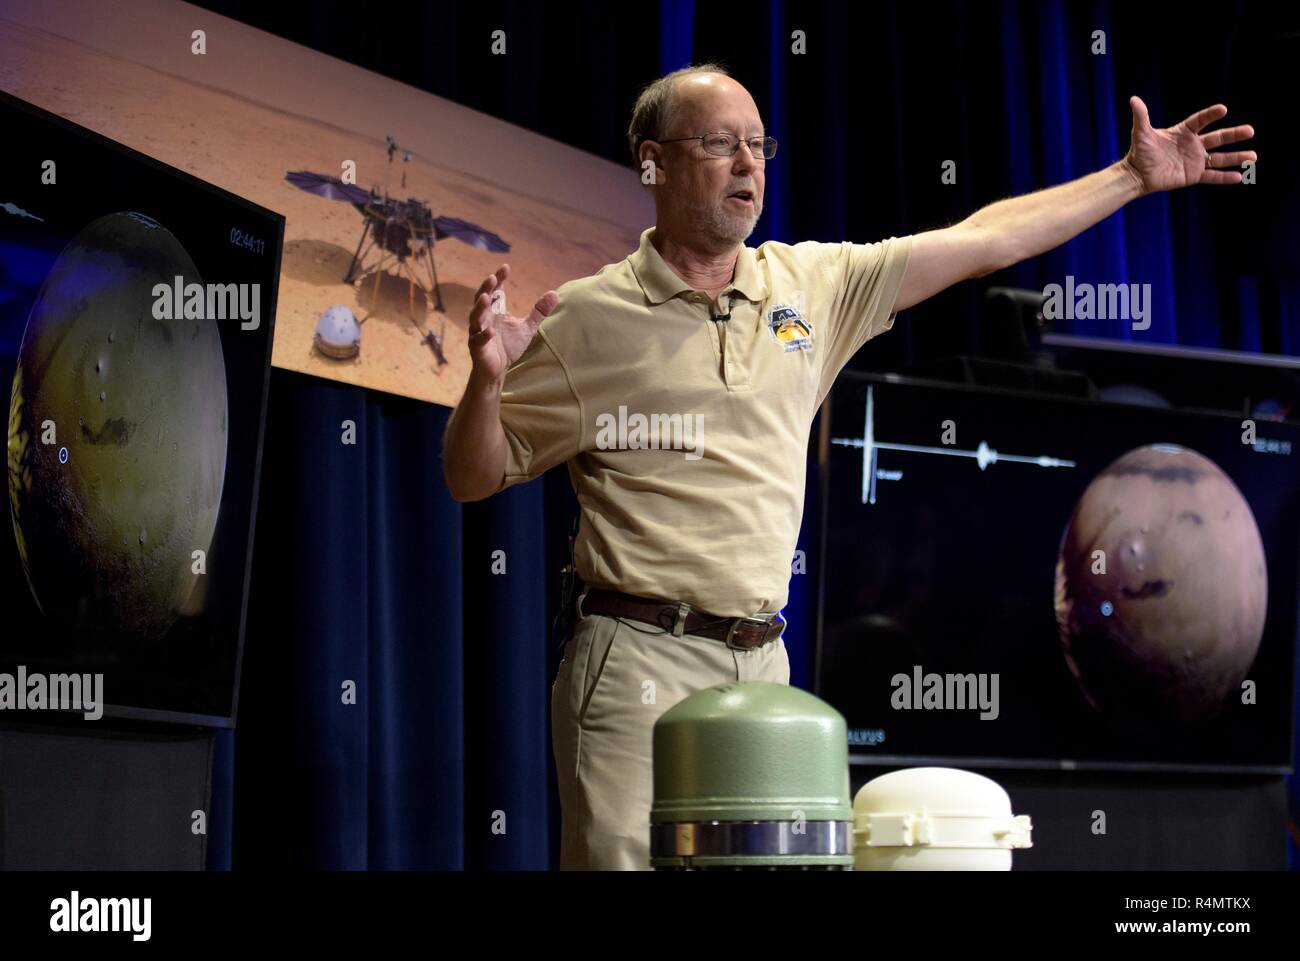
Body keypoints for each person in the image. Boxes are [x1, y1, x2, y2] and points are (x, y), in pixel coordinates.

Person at [442, 63, 1256, 870]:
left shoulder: (812, 286)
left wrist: (1127, 178)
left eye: (759, 144)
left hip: (764, 664)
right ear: (652, 161)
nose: (748, 164)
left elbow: (981, 240)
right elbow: (473, 476)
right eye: (720, 143)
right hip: (638, 658)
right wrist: (485, 383)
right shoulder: (589, 316)